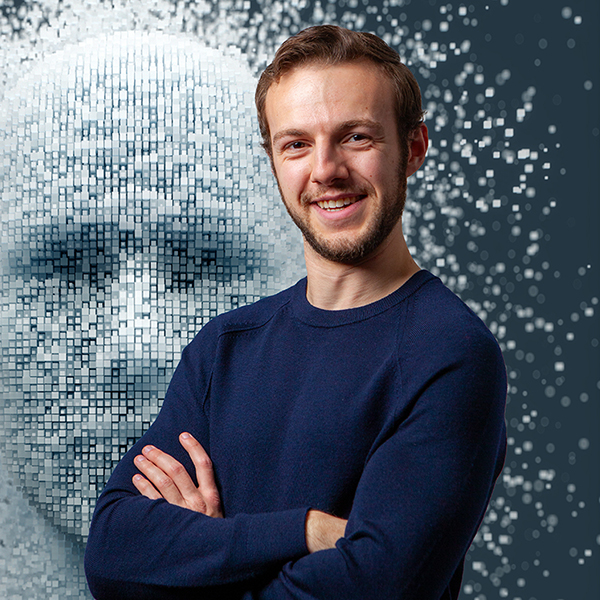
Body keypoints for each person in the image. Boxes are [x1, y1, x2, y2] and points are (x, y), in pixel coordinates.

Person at [84, 24, 507, 599]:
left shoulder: (451, 354)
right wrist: (302, 530)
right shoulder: (224, 348)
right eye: (297, 144)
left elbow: (376, 587)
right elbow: (112, 554)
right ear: (274, 160)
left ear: (413, 149)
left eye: (356, 137)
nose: (325, 170)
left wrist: (201, 559)